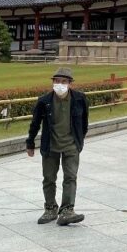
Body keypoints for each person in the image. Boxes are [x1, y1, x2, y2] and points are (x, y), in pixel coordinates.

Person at [27, 67, 89, 226]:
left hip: (71, 145)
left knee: (70, 177)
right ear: (53, 82)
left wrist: (79, 142)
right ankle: (50, 208)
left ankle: (67, 210)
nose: (59, 84)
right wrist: (30, 142)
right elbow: (35, 123)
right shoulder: (44, 101)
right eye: (56, 81)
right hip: (50, 145)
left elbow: (84, 123)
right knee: (49, 178)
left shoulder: (80, 99)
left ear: (70, 83)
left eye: (63, 81)